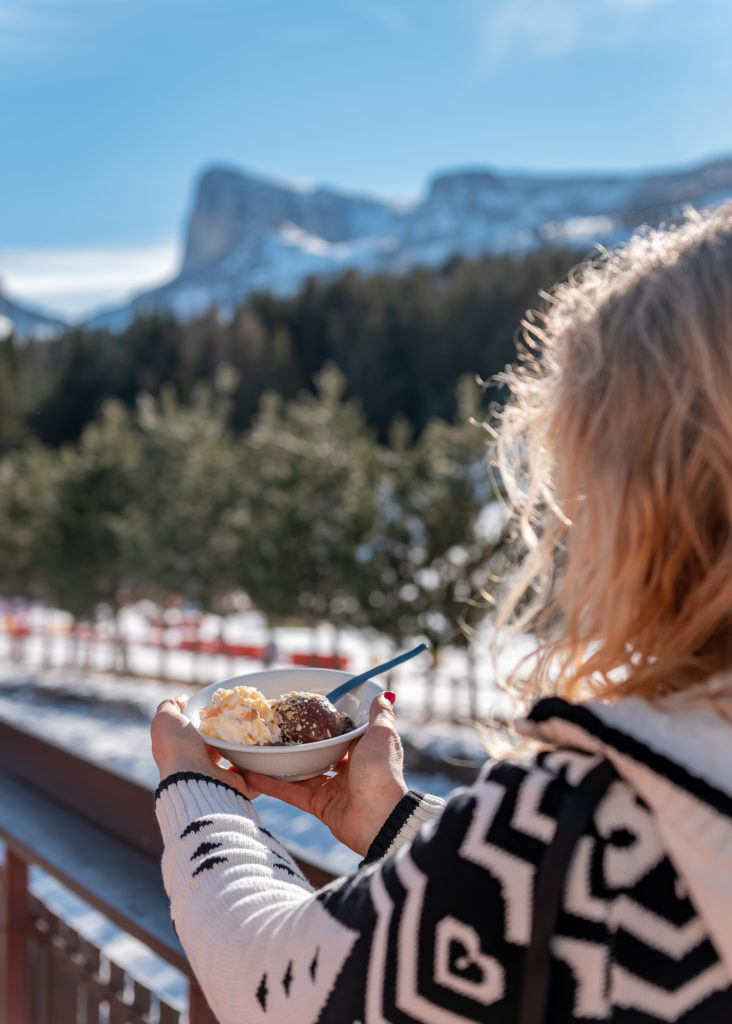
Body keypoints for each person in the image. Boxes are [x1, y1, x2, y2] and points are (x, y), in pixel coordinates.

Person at [151, 202, 732, 1023]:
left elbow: (279, 986)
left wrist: (192, 791)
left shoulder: (592, 824)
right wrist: (397, 825)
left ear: (645, 503)